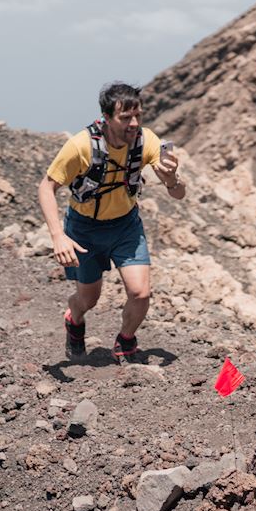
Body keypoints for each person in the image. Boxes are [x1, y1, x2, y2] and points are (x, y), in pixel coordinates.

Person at [37, 82, 186, 363]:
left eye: (138, 116)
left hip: (125, 227)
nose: (134, 123)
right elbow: (46, 188)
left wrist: (171, 178)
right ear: (106, 117)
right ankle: (74, 318)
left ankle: (126, 339)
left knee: (140, 293)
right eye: (125, 118)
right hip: (84, 229)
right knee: (88, 299)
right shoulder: (81, 146)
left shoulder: (146, 141)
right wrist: (58, 236)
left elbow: (178, 194)